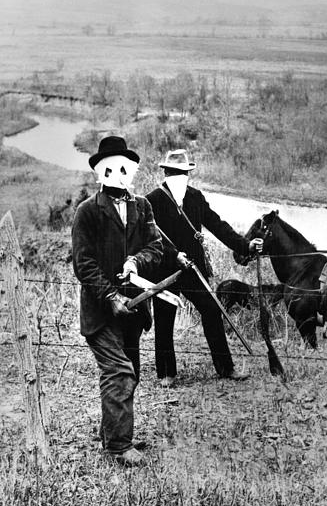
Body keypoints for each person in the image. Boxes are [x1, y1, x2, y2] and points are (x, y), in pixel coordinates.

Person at [72, 136, 163, 467]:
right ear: (99, 172)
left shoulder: (143, 207)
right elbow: (83, 263)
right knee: (120, 372)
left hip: (134, 309)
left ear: (132, 171)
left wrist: (135, 262)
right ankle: (119, 447)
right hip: (100, 312)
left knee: (130, 374)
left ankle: (113, 433)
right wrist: (109, 296)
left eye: (124, 167)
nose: (118, 173)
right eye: (110, 167)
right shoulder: (87, 212)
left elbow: (156, 247)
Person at [145, 149, 263, 385]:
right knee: (165, 319)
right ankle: (166, 374)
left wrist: (246, 245)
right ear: (166, 173)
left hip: (193, 270)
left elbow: (218, 226)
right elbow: (149, 238)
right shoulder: (152, 201)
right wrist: (173, 255)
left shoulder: (195, 198)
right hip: (165, 271)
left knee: (212, 311)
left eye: (183, 173)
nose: (179, 177)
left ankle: (225, 368)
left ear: (189, 174)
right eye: (174, 173)